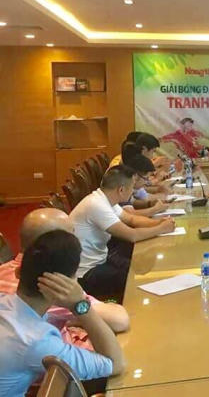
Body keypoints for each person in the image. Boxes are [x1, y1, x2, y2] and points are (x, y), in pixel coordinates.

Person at [0, 230, 125, 396]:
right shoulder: (36, 341)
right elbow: (115, 364)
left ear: (18, 272)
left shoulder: (5, 301)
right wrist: (80, 305)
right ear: (65, 287)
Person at [0, 208, 130, 336]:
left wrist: (74, 319)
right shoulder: (49, 281)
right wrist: (80, 310)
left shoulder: (5, 269)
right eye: (72, 233)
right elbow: (119, 321)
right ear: (56, 244)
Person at [70, 165, 176, 302]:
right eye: (131, 187)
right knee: (135, 276)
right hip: (87, 273)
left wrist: (159, 222)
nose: (133, 191)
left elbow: (131, 219)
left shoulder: (105, 199)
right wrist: (161, 229)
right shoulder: (96, 205)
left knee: (137, 265)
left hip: (101, 258)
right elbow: (132, 235)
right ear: (121, 190)